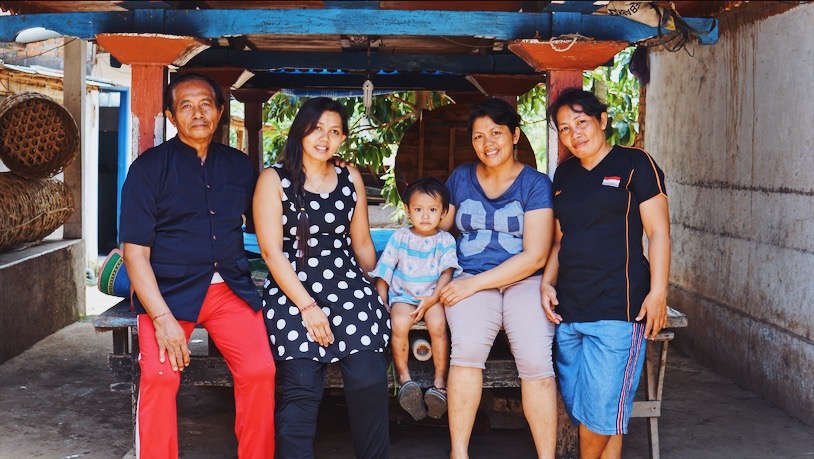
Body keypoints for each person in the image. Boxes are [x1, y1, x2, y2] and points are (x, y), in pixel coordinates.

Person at [120, 72, 276, 458]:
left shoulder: (240, 167)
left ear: (220, 111)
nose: (198, 113)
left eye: (206, 103)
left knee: (260, 371)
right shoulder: (147, 170)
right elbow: (134, 253)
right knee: (158, 377)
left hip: (229, 291)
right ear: (172, 117)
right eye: (186, 106)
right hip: (168, 294)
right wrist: (161, 318)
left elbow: (268, 219)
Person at [253, 97, 391, 459]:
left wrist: (384, 280)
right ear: (300, 130)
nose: (323, 138)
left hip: (347, 284)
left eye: (334, 131)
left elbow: (361, 245)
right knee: (302, 386)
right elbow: (271, 253)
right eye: (316, 128)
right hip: (291, 288)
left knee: (369, 378)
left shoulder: (350, 177)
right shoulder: (273, 178)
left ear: (343, 138)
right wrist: (308, 306)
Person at [541, 88, 671, 459]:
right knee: (595, 411)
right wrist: (546, 283)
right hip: (570, 310)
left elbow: (659, 232)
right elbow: (559, 241)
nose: (574, 134)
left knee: (598, 416)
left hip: (619, 307)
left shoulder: (635, 164)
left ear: (602, 120)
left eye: (581, 122)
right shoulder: (563, 174)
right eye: (564, 128)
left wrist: (658, 291)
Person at [437, 98, 558, 459]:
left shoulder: (535, 184)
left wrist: (471, 284)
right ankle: (459, 454)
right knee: (468, 351)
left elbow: (536, 254)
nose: (487, 142)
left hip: (522, 281)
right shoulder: (460, 177)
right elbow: (441, 230)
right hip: (470, 275)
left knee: (536, 359)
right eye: (478, 136)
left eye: (496, 133)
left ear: (515, 134)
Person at [369, 177, 461, 421]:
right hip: (404, 296)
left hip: (433, 297)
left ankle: (439, 382)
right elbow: (385, 267)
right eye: (418, 209)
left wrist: (433, 298)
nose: (425, 216)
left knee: (439, 326)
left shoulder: (445, 240)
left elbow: (447, 272)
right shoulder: (400, 238)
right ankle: (405, 379)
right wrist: (382, 297)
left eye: (432, 210)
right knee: (398, 325)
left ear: (443, 212)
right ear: (408, 210)